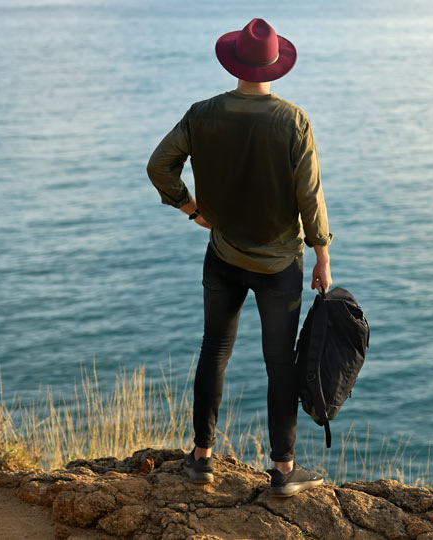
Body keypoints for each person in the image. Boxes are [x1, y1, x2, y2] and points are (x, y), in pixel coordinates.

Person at [146, 18, 332, 497]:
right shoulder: (293, 120)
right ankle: (285, 471)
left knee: (215, 351)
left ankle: (201, 459)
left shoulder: (202, 113)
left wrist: (190, 208)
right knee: (280, 365)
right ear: (275, 65)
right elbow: (309, 195)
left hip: (223, 254)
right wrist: (322, 254)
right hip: (280, 266)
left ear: (234, 62)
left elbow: (158, 165)